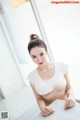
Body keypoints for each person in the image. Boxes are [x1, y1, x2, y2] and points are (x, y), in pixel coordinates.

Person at [27, 37, 75, 117]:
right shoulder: (32, 77)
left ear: (46, 52)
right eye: (34, 57)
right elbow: (39, 98)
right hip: (51, 113)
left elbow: (69, 87)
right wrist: (42, 107)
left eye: (41, 54)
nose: (39, 60)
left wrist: (71, 97)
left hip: (68, 107)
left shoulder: (61, 66)